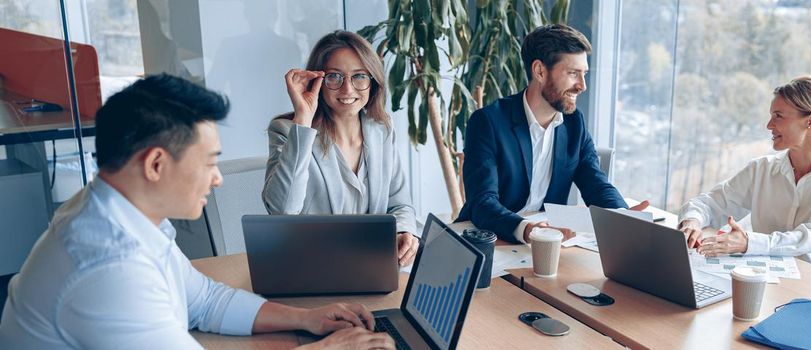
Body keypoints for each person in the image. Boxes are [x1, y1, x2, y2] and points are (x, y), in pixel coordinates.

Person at [0, 74, 391, 349]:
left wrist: (307, 319)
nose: (218, 179)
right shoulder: (109, 265)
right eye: (208, 162)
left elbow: (204, 301)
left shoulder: (119, 212)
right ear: (156, 164)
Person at [456, 24, 648, 243]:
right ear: (539, 71)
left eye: (584, 74)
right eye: (573, 73)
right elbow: (482, 203)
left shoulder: (574, 123)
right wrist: (527, 229)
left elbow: (595, 182)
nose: (582, 86)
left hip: (548, 240)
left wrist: (622, 216)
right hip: (491, 237)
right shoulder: (488, 122)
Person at [678, 75, 811, 277]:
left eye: (778, 116)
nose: (769, 125)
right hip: (765, 277)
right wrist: (692, 221)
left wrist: (748, 243)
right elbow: (710, 202)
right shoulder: (762, 169)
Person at [264, 30, 418, 266]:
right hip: (312, 267)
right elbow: (282, 213)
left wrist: (404, 231)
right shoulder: (287, 131)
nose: (347, 89)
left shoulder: (382, 130)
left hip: (372, 266)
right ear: (318, 81)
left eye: (359, 76)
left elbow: (399, 204)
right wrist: (303, 120)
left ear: (373, 81)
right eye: (335, 76)